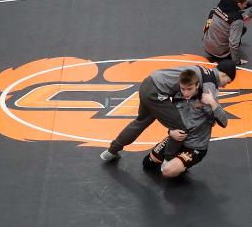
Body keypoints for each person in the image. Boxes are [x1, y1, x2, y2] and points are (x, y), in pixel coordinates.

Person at [100, 59, 237, 162]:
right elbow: (211, 112)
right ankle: (168, 161)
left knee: (140, 122)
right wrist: (211, 117)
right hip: (157, 93)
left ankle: (110, 152)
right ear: (224, 74)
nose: (225, 86)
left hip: (148, 83)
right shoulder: (209, 83)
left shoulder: (202, 70)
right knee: (179, 128)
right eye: (228, 81)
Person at [143, 69, 228, 178]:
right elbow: (171, 117)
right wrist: (170, 131)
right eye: (183, 89)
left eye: (189, 89)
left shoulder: (206, 99)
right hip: (176, 139)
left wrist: (213, 103)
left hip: (195, 147)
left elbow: (224, 123)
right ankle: (175, 158)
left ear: (197, 85)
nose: (186, 93)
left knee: (167, 171)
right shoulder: (177, 95)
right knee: (147, 163)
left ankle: (180, 163)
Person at [203, 0, 252, 65]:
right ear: (239, 4)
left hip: (206, 46)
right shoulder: (237, 19)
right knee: (242, 29)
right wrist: (236, 61)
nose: (246, 5)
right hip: (220, 54)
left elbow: (207, 25)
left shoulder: (220, 7)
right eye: (245, 4)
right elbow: (233, 44)